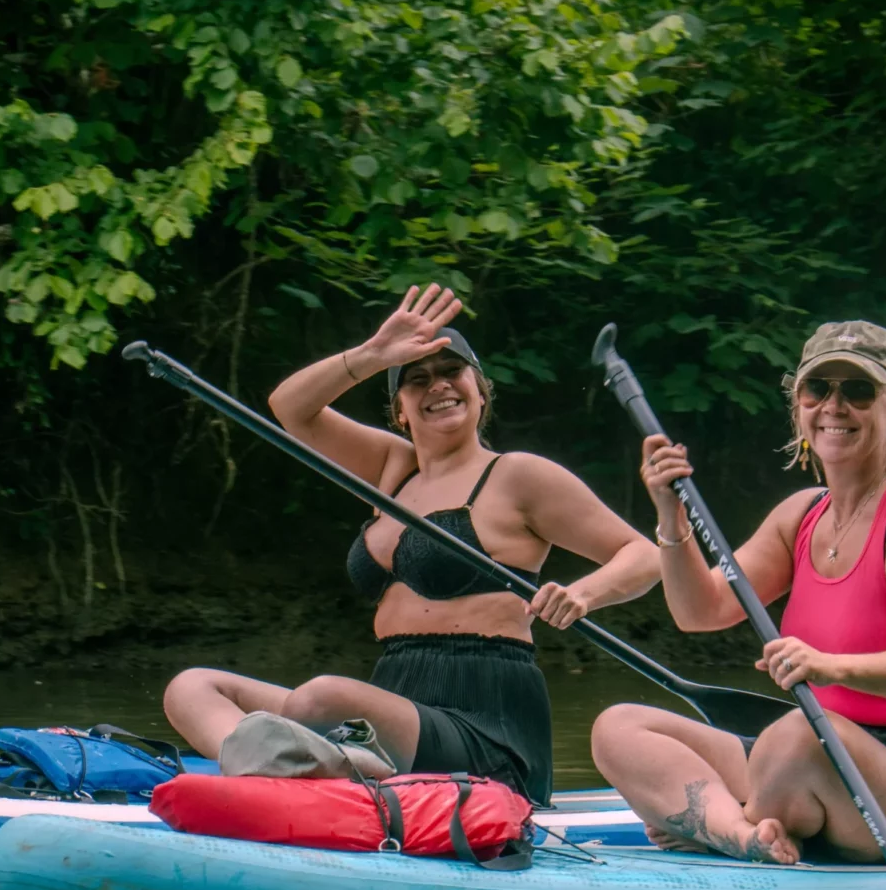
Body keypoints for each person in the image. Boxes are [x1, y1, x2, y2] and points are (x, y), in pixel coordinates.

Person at [163, 284, 661, 804]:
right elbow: (290, 407)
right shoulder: (389, 469)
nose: (438, 386)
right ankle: (300, 772)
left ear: (481, 389)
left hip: (483, 718)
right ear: (400, 409)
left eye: (452, 372)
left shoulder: (516, 476)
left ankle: (312, 771)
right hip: (393, 701)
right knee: (194, 687)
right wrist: (373, 355)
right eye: (417, 378)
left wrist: (584, 594)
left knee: (320, 698)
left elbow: (643, 556)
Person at [591, 320, 886, 865]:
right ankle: (742, 833)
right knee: (618, 727)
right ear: (798, 406)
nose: (834, 405)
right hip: (811, 756)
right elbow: (699, 610)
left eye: (857, 390)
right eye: (818, 389)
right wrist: (671, 516)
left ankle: (718, 824)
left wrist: (830, 666)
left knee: (794, 735)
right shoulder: (800, 515)